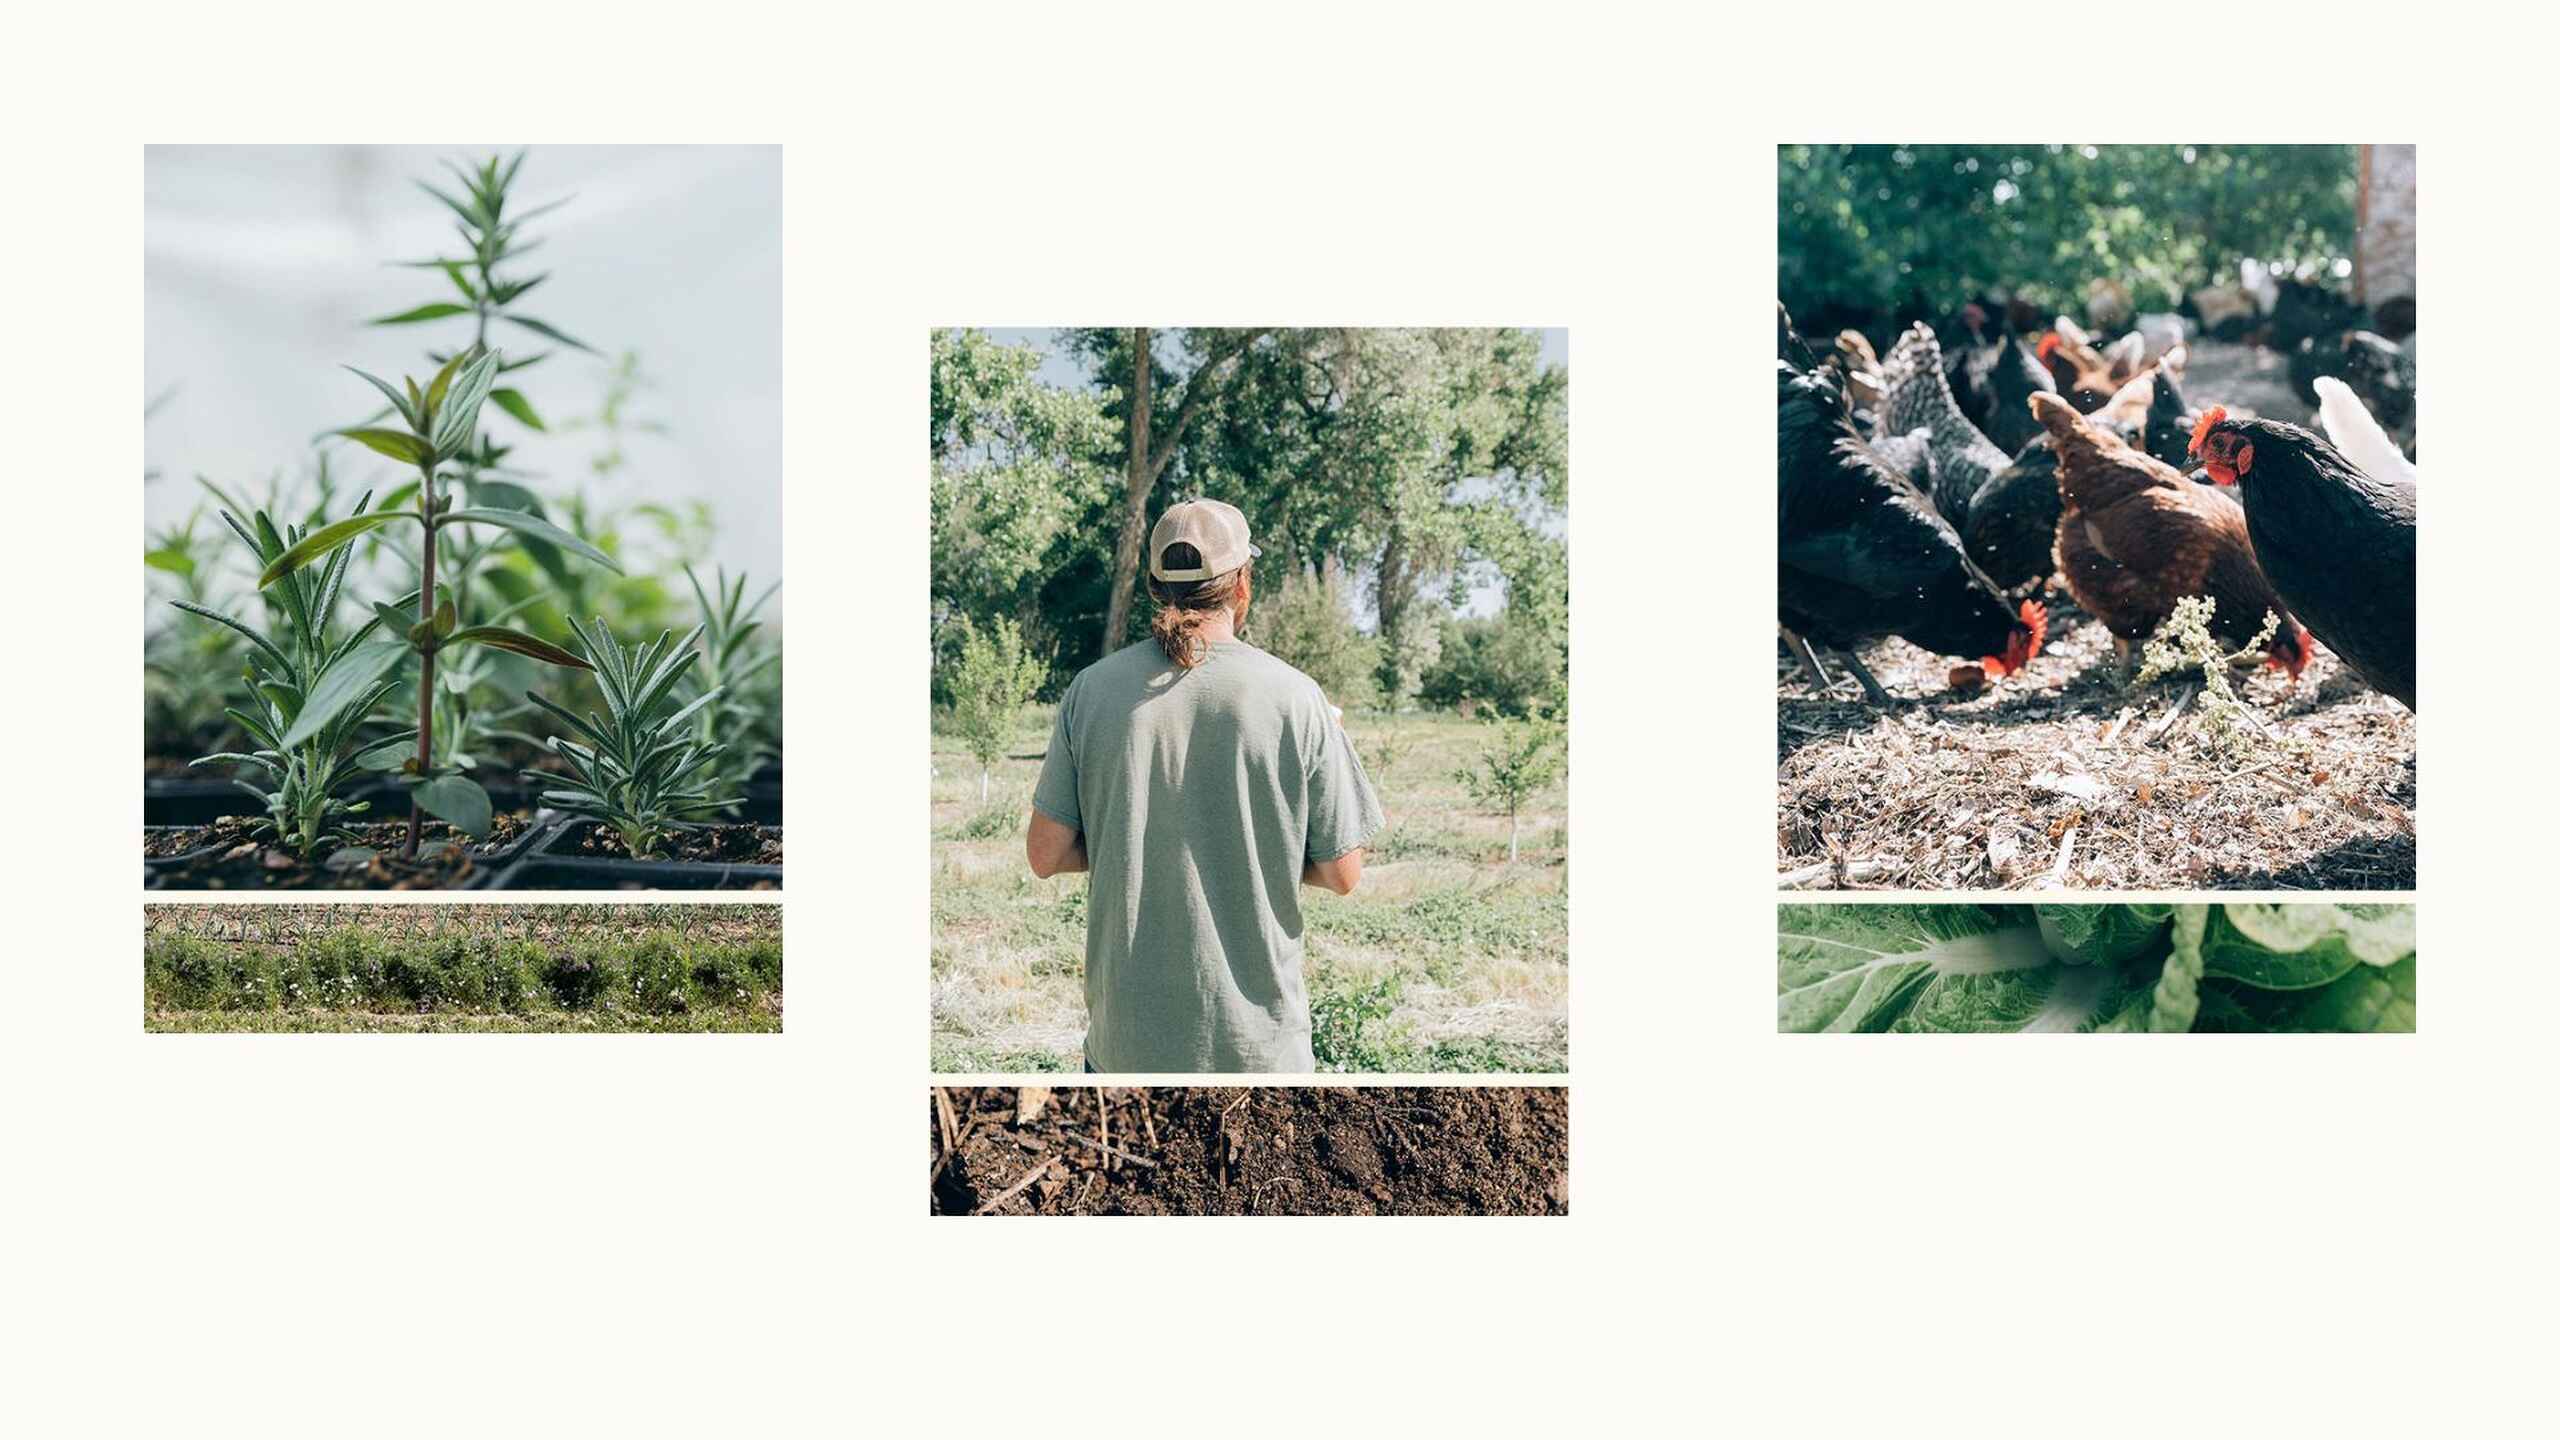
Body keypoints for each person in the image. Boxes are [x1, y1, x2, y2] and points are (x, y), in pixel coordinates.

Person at [1026, 498, 1385, 1072]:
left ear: (1152, 586)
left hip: (1128, 1045)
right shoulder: (1296, 698)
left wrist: (1138, 836)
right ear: (1242, 586)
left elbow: (1045, 855)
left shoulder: (1090, 692)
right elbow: (1343, 873)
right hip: (1259, 1050)